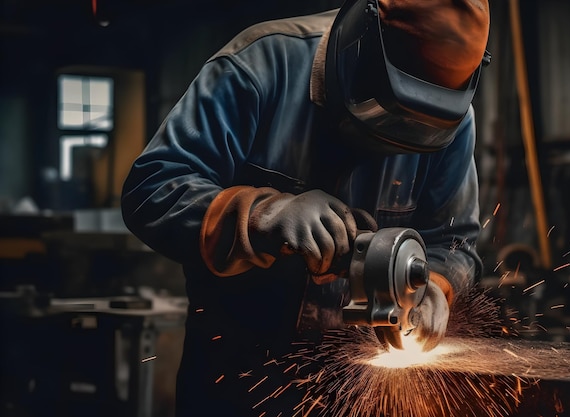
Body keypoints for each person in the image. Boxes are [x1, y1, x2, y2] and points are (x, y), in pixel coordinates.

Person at [121, 0, 490, 415]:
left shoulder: (451, 120)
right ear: (365, 40)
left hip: (364, 392)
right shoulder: (260, 64)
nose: (398, 138)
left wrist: (435, 286)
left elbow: (454, 241)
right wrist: (262, 215)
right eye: (391, 113)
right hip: (237, 379)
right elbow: (151, 189)